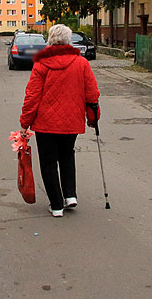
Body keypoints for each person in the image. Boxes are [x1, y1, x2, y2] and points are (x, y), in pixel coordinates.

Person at [20, 24, 100, 217]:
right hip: (71, 122)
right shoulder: (81, 63)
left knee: (48, 163)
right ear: (68, 40)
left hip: (45, 124)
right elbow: (92, 95)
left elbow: (32, 96)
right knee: (67, 156)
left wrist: (25, 123)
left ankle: (56, 205)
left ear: (50, 40)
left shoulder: (41, 64)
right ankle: (70, 195)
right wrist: (93, 118)